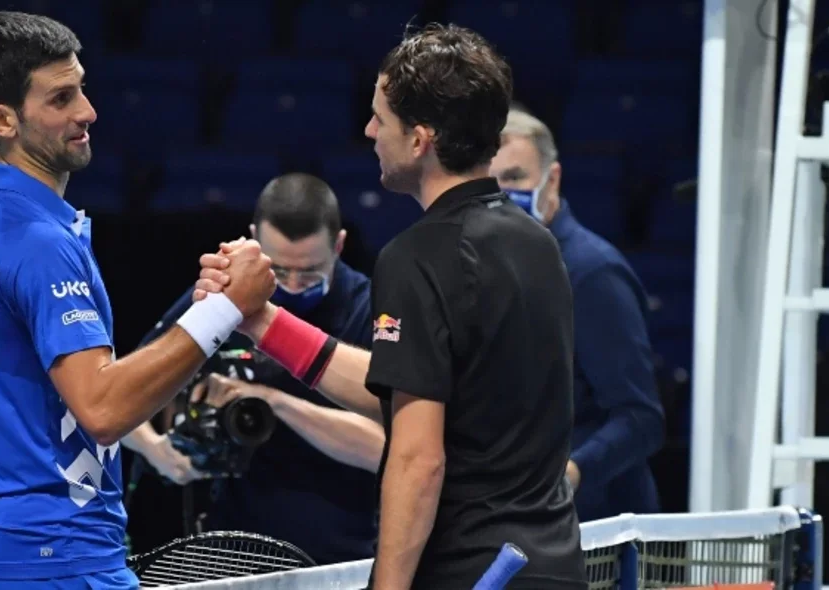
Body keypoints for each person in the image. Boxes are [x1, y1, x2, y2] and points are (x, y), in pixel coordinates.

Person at [194, 24, 587, 589]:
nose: (369, 130)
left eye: (381, 117)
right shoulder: (536, 243)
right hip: (551, 565)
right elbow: (405, 387)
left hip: (471, 572)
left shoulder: (419, 256)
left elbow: (417, 457)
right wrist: (259, 320)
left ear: (420, 139)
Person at [0, 11, 276, 590]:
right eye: (61, 98)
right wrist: (224, 311)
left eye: (82, 88)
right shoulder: (37, 243)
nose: (87, 111)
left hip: (9, 553)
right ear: (2, 120)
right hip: (56, 562)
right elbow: (101, 410)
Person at [122, 173, 383, 565]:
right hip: (232, 553)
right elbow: (123, 392)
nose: (293, 286)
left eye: (310, 273)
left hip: (342, 554)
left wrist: (274, 402)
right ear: (254, 242)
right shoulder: (227, 298)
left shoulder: (371, 306)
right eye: (279, 271)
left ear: (340, 245)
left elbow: (387, 449)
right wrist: (158, 452)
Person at [489, 109, 665, 522]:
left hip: (595, 529)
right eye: (489, 182)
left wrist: (571, 472)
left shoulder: (593, 274)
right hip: (513, 519)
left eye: (514, 177)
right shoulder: (485, 265)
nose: (500, 193)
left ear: (553, 180)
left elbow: (641, 418)